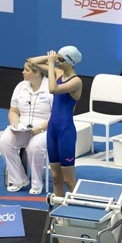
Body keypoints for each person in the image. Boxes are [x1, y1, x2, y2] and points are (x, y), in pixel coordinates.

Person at [28, 46, 83, 197]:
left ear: (70, 62)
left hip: (65, 131)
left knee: (69, 180)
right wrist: (50, 58)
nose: (58, 61)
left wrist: (51, 64)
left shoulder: (76, 81)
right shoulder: (58, 73)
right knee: (56, 177)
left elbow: (53, 88)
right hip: (52, 130)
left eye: (61, 59)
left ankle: (77, 208)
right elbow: (31, 62)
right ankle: (58, 209)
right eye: (58, 59)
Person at [0, 61, 53, 194]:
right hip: (22, 127)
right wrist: (15, 124)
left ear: (37, 72)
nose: (22, 72)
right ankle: (19, 179)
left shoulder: (51, 88)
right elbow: (14, 110)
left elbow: (56, 116)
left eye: (26, 70)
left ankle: (37, 183)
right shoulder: (20, 86)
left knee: (34, 147)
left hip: (45, 128)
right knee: (4, 142)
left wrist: (39, 129)